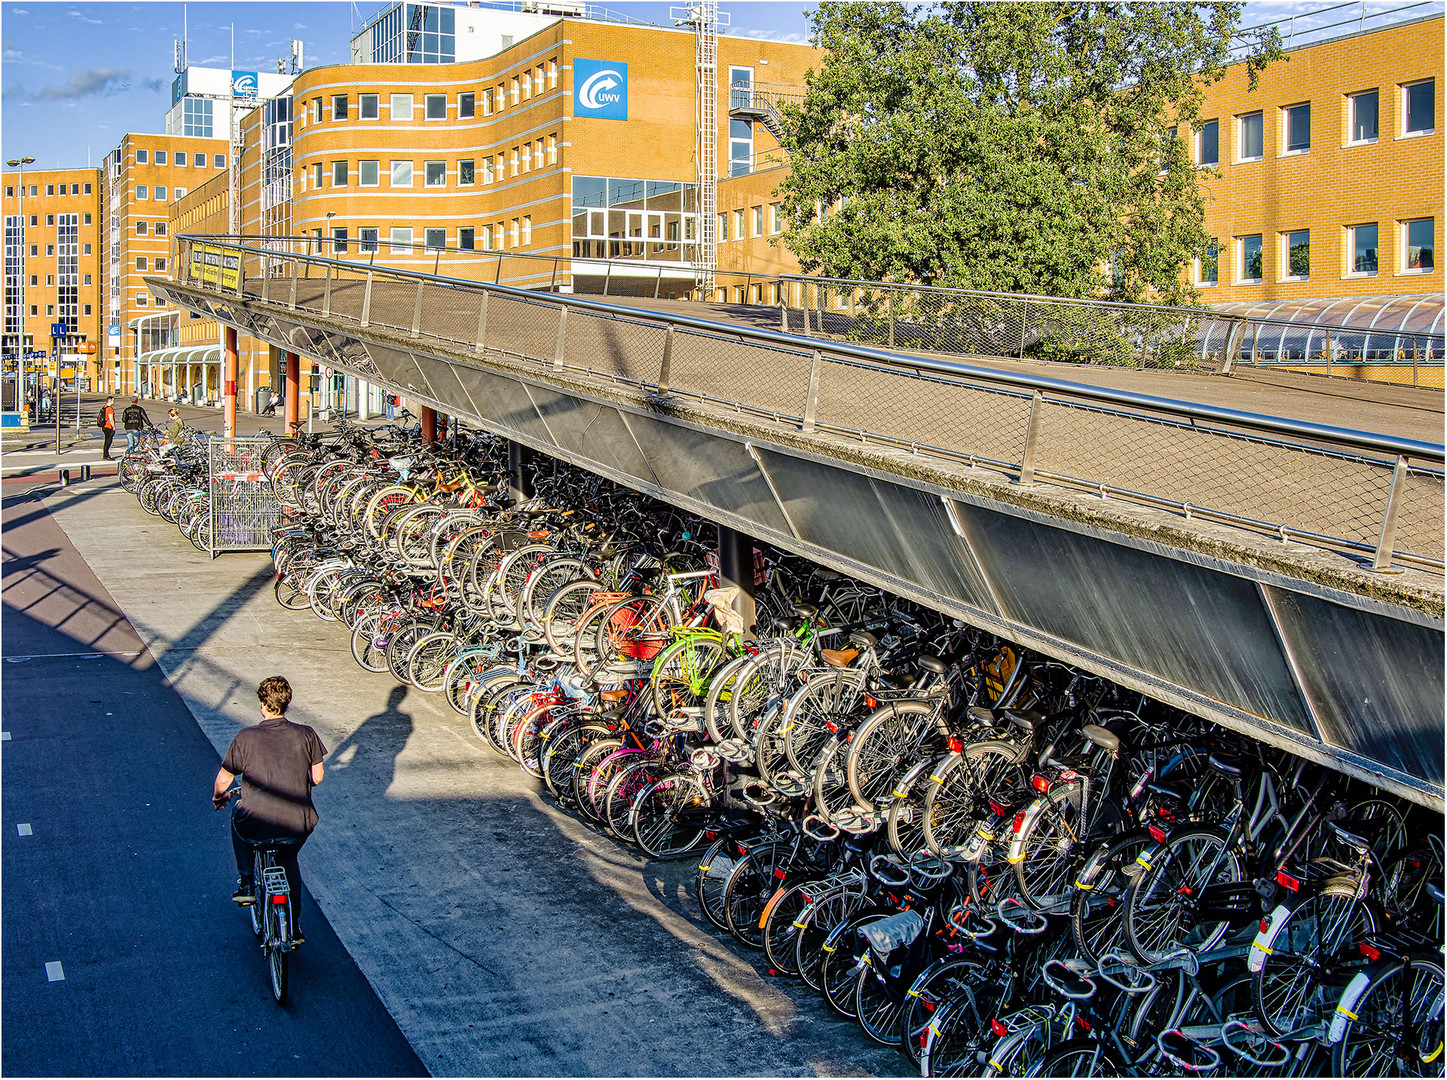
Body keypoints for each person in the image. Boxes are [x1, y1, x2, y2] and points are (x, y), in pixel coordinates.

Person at [212, 676, 326, 944]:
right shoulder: (306, 734)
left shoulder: (246, 737)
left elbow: (224, 781)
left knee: (238, 819)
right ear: (287, 703)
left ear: (263, 704)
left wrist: (219, 797)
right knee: (288, 862)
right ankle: (294, 928)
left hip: (256, 821)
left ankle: (247, 882)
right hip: (296, 822)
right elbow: (317, 777)